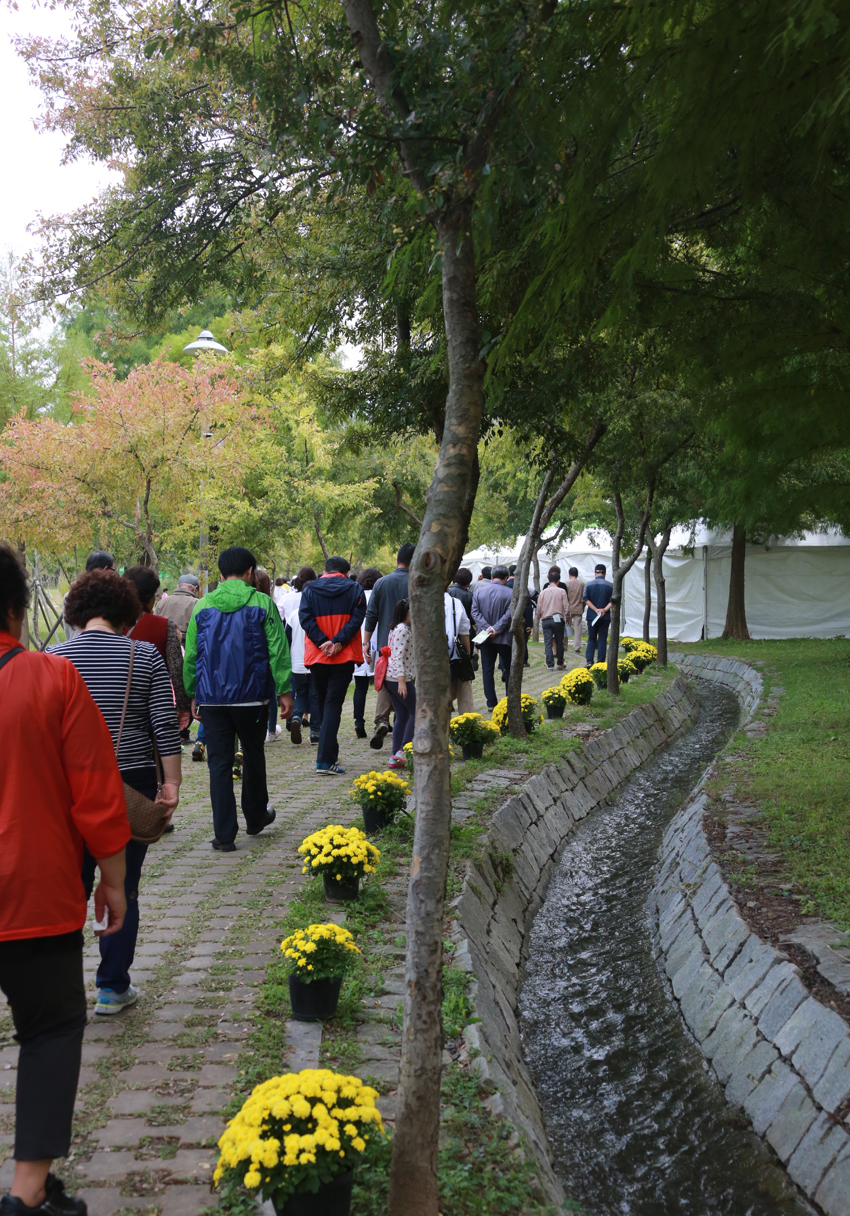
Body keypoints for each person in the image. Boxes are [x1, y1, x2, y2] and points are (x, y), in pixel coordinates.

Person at [0, 544, 129, 1216]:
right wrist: (114, 882)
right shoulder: (51, 679)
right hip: (33, 893)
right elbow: (97, 795)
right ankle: (28, 1193)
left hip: (33, 894)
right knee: (49, 1031)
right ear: (19, 610)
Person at [50, 570, 182, 1017]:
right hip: (131, 783)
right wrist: (172, 785)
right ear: (128, 612)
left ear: (76, 611)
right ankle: (111, 987)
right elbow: (164, 726)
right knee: (121, 883)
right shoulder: (143, 656)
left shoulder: (52, 658)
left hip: (67, 788)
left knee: (71, 886)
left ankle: (63, 990)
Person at [183, 546, 293, 851]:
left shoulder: (202, 607)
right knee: (254, 756)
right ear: (250, 573)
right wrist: (284, 690)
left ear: (220, 575)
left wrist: (192, 693)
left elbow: (191, 654)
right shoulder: (262, 604)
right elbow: (278, 650)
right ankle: (256, 818)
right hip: (252, 699)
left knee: (218, 764)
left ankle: (224, 835)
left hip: (213, 700)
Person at [299, 555, 366, 775]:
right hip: (343, 655)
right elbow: (357, 621)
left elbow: (305, 619)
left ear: (325, 570)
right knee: (332, 705)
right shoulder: (355, 589)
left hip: (318, 655)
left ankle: (330, 755)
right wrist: (338, 642)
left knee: (324, 703)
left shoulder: (309, 590)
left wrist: (322, 642)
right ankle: (325, 761)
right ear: (346, 573)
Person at [124, 565, 192, 738]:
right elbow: (176, 670)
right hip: (153, 705)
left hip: (117, 703)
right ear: (151, 597)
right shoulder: (164, 626)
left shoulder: (113, 624)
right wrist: (183, 708)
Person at [363, 542, 415, 748]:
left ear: (397, 560)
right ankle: (404, 739)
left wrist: (366, 642)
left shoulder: (381, 583)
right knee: (408, 690)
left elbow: (371, 614)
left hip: (386, 642)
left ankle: (382, 720)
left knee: (386, 683)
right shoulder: (417, 582)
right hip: (410, 645)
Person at [283, 567, 319, 744]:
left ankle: (296, 717)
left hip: (297, 663)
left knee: (301, 695)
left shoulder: (293, 615)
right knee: (316, 696)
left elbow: (287, 640)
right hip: (316, 662)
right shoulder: (320, 614)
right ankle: (315, 732)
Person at [471, 564, 513, 709]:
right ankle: (509, 700)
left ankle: (491, 702)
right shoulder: (511, 593)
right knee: (508, 669)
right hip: (504, 637)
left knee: (487, 670)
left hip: (485, 637)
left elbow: (475, 612)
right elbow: (510, 613)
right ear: (506, 578)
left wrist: (486, 627)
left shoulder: (479, 592)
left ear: (492, 576)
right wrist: (497, 628)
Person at [384, 598, 416, 770]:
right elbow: (397, 657)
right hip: (399, 679)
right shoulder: (403, 630)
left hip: (393, 678)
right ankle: (403, 750)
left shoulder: (396, 629)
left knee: (403, 715)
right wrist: (402, 681)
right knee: (417, 712)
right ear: (410, 612)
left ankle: (395, 755)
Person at [254, 569, 282, 746]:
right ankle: (270, 730)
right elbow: (277, 637)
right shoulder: (269, 604)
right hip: (267, 660)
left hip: (250, 660)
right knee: (270, 695)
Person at [353, 567, 382, 738]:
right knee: (383, 685)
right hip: (378, 641)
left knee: (360, 686)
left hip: (359, 642)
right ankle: (382, 720)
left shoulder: (355, 596)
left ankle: (358, 722)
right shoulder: (379, 594)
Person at [61, 550, 115, 641]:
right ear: (105, 569)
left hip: (73, 648)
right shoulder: (109, 596)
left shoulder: (69, 595)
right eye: (113, 570)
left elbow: (67, 629)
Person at [535, 568, 570, 670]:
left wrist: (539, 615)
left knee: (548, 642)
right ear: (558, 581)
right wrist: (568, 617)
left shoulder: (543, 592)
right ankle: (560, 663)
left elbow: (539, 607)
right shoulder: (562, 591)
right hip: (558, 619)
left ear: (548, 581)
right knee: (559, 641)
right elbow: (566, 607)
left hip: (546, 620)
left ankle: (550, 664)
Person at [446, 588, 474, 714]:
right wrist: (467, 655)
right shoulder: (454, 602)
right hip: (453, 652)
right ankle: (466, 721)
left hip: (428, 655)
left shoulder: (421, 601)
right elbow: (464, 631)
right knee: (464, 687)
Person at [155, 571, 200, 640]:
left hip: (162, 644)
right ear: (195, 588)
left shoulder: (161, 602)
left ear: (177, 586)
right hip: (186, 646)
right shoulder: (197, 604)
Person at [584, 563, 614, 666]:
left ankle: (589, 661)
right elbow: (612, 601)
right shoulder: (610, 585)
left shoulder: (588, 584)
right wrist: (604, 610)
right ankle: (601, 662)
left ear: (595, 573)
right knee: (602, 639)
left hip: (592, 616)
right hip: (605, 616)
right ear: (605, 573)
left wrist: (596, 610)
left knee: (591, 638)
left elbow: (586, 599)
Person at [566, 566, 586, 654]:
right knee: (577, 629)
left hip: (568, 609)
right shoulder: (582, 584)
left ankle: (564, 645)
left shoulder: (566, 584)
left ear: (569, 574)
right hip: (578, 608)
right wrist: (583, 607)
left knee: (566, 628)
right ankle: (577, 647)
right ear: (577, 575)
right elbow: (584, 598)